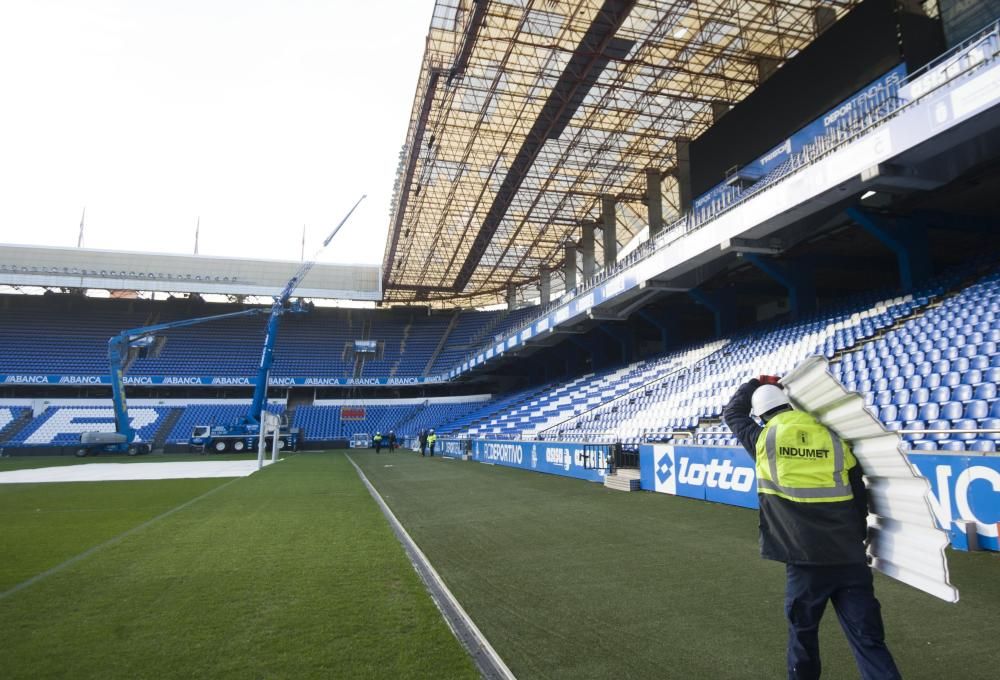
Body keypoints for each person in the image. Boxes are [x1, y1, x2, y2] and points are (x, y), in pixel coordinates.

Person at [723, 375, 900, 680]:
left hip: (805, 560)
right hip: (849, 557)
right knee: (869, 640)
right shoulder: (832, 437)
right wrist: (857, 538)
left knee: (803, 639)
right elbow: (859, 495)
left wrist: (754, 382)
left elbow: (732, 413)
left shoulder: (764, 440)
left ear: (761, 415)